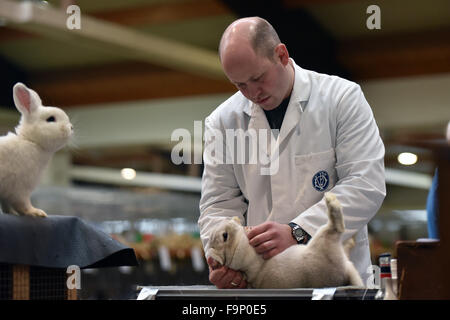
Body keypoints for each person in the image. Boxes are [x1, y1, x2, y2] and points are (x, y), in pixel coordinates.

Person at [198, 17, 386, 289]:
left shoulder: (342, 98)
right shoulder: (222, 122)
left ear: (281, 55)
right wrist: (220, 259)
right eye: (240, 85)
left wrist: (299, 232)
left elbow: (365, 184)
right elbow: (218, 204)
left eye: (257, 78)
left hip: (334, 282)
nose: (252, 93)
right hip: (263, 285)